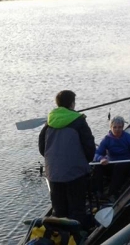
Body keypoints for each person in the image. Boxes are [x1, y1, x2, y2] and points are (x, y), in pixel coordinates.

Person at [38, 90, 96, 228]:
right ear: (72, 104)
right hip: (75, 173)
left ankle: (60, 236)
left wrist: (53, 161)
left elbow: (42, 147)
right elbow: (89, 147)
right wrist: (84, 162)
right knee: (77, 210)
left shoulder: (50, 121)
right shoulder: (79, 121)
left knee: (59, 210)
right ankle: (76, 236)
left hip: (53, 173)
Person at [93, 116, 130, 201]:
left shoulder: (128, 138)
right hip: (111, 163)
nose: (117, 129)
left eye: (120, 127)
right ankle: (98, 192)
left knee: (119, 166)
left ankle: (112, 193)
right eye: (115, 127)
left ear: (123, 127)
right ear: (111, 127)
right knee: (98, 166)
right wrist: (101, 158)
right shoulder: (106, 139)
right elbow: (96, 154)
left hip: (126, 163)